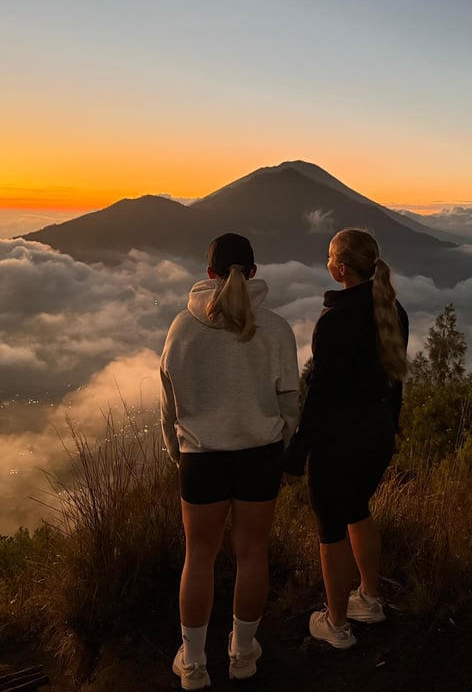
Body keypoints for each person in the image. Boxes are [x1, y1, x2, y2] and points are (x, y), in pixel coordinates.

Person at [160, 232, 300, 690]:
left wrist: (177, 453)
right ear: (254, 273)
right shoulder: (275, 329)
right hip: (259, 455)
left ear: (209, 274)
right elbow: (289, 405)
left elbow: (170, 406)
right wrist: (280, 447)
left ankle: (195, 663)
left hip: (201, 458)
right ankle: (243, 654)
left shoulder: (182, 328)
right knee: (252, 553)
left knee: (198, 557)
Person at [285, 227, 408, 649]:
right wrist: (392, 426)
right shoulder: (392, 309)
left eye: (329, 256)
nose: (326, 262)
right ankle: (370, 599)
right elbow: (395, 381)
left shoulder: (335, 320)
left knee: (331, 530)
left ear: (340, 267)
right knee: (358, 510)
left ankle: (336, 624)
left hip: (339, 442)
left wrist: (296, 454)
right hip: (377, 436)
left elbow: (320, 396)